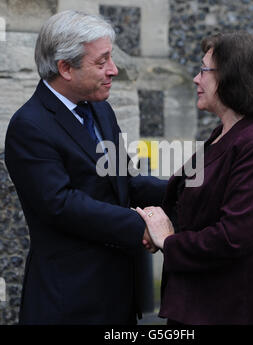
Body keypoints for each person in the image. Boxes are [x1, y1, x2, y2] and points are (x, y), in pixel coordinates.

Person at [5, 10, 166, 325]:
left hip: (118, 296)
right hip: (69, 302)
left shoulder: (102, 110)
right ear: (65, 67)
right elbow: (60, 204)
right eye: (101, 61)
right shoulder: (29, 126)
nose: (113, 70)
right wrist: (141, 227)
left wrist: (183, 187)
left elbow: (123, 180)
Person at [137, 31, 253, 324]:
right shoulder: (225, 133)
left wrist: (169, 241)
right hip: (201, 305)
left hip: (233, 310)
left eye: (204, 70)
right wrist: (162, 226)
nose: (196, 79)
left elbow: (233, 237)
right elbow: (196, 203)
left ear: (233, 76)